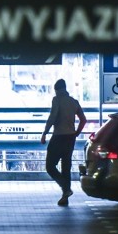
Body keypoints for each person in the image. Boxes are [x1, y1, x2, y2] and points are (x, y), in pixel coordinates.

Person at [40, 79, 87, 207]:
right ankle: (65, 198)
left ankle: (65, 188)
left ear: (56, 90)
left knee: (50, 166)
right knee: (66, 166)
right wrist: (77, 133)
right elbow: (83, 120)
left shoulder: (56, 100)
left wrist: (44, 133)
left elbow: (52, 117)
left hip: (58, 137)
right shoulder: (74, 102)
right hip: (70, 137)